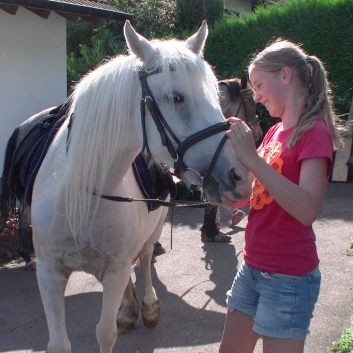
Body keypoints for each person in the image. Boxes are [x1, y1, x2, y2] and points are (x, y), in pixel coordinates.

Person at [219, 38, 342, 353]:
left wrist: (252, 159)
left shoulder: (314, 133)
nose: (256, 96)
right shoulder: (274, 133)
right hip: (252, 267)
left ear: (285, 75)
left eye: (259, 84)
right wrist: (232, 194)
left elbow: (306, 208)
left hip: (289, 278)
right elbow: (257, 190)